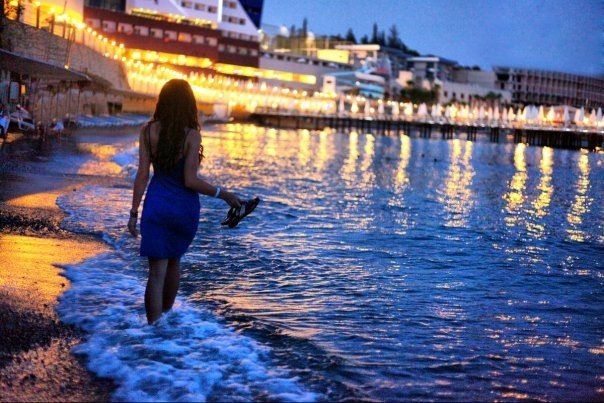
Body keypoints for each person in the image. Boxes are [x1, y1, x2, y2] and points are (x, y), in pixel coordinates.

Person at [128, 79, 242, 325]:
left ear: (163, 101)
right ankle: (167, 324)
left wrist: (133, 212)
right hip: (183, 208)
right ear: (189, 104)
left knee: (155, 274)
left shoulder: (148, 131)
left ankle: (153, 329)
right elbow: (190, 181)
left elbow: (142, 174)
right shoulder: (192, 135)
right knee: (174, 263)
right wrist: (223, 194)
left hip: (157, 205)